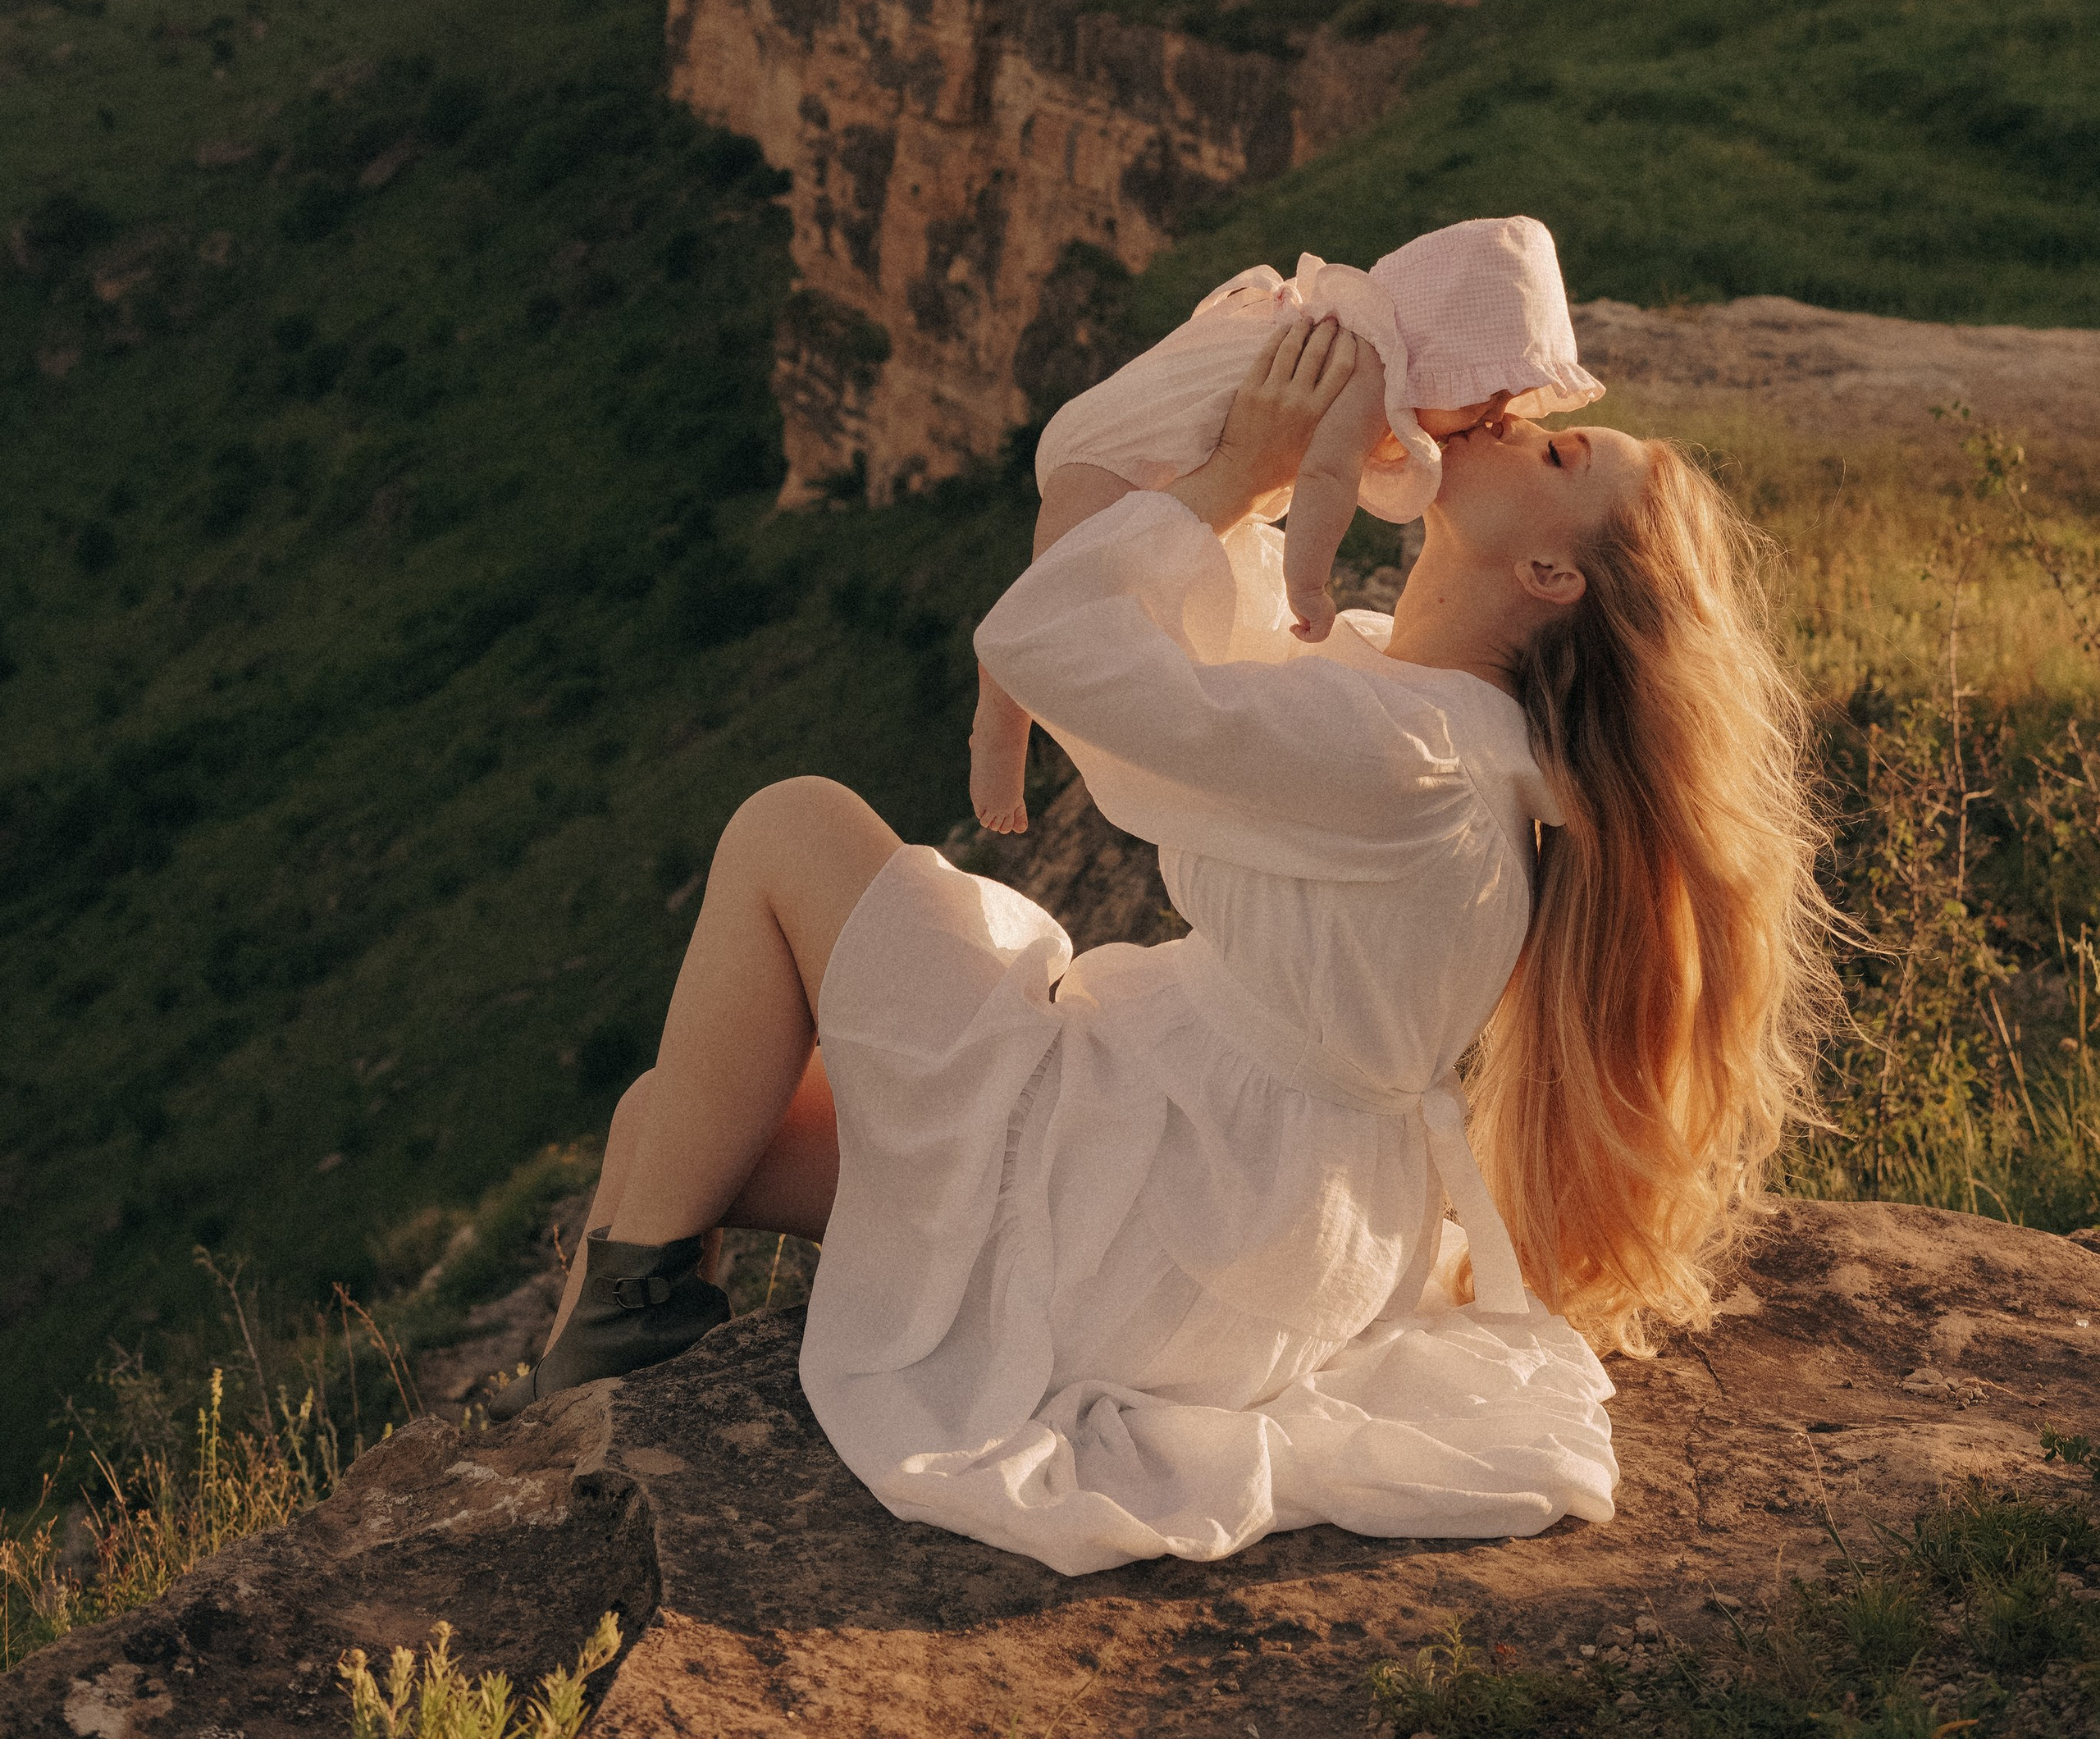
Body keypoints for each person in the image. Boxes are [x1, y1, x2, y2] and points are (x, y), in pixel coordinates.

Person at [489, 319, 1829, 1582]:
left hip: (1172, 1217)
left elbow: (1053, 640)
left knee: (793, 826)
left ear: (1547, 576)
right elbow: (1208, 618)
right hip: (1227, 1201)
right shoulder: (1415, 703)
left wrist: (1243, 471)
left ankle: (574, 1428)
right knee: (671, 1124)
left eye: (1557, 454)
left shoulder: (1408, 757)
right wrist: (1282, 447)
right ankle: (575, 1434)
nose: (1514, 420)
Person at [970, 214, 1603, 834]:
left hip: (1120, 436)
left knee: (1070, 590)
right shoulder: (1366, 369)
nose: (1496, 416)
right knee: (1047, 606)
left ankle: (1003, 722)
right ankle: (998, 734)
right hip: (1118, 455)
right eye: (1485, 392)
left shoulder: (1346, 330)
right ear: (1439, 358)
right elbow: (1328, 478)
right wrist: (1307, 585)